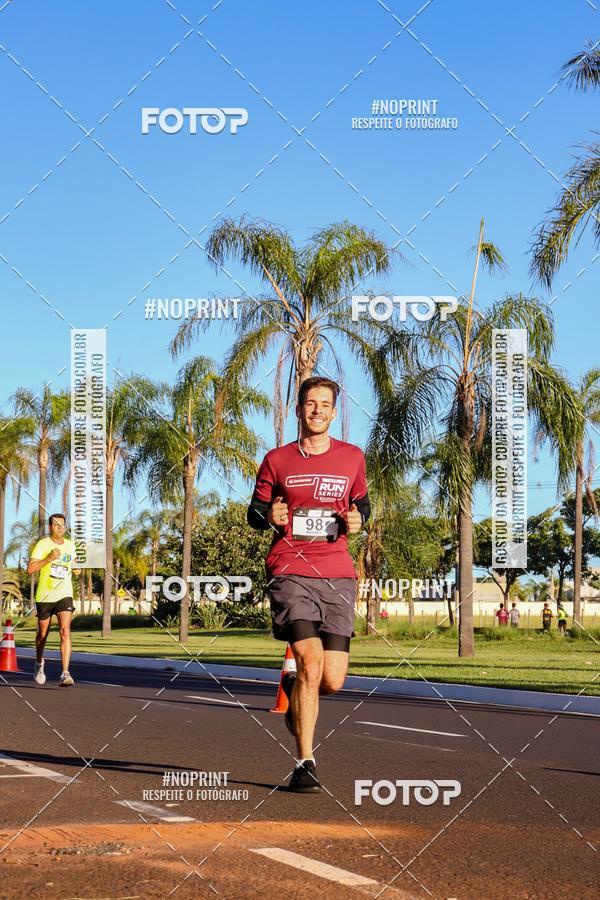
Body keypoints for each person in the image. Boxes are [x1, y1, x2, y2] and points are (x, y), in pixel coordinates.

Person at [247, 377, 370, 793]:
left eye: (325, 404)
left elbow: (361, 503)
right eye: (310, 404)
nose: (317, 410)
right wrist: (272, 515)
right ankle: (305, 761)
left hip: (338, 573)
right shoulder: (277, 459)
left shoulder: (352, 457)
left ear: (334, 412)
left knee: (331, 680)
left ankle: (297, 694)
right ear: (298, 410)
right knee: (310, 662)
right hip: (289, 570)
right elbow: (255, 511)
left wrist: (358, 519)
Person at [28, 513, 79, 686]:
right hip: (45, 594)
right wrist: (49, 558)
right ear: (50, 527)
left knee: (65, 631)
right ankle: (39, 662)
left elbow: (76, 568)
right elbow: (30, 569)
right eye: (57, 525)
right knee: (43, 634)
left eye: (63, 525)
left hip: (65, 593)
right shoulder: (43, 544)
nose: (60, 527)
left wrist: (77, 567)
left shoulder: (71, 546)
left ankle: (65, 673)